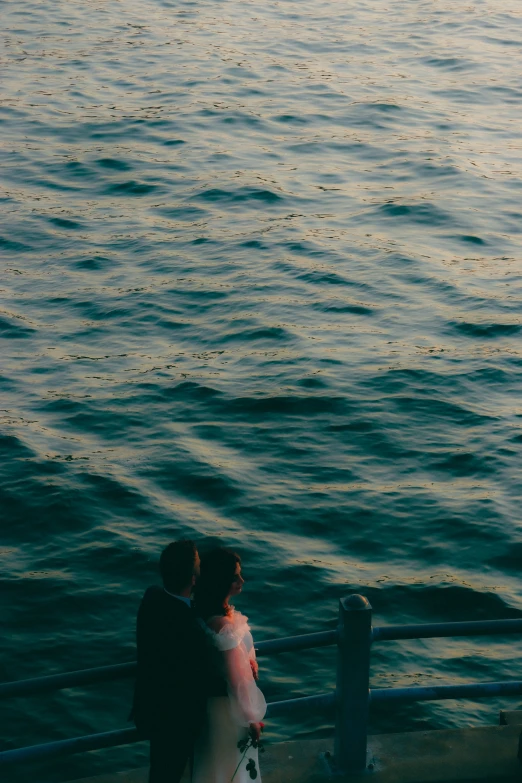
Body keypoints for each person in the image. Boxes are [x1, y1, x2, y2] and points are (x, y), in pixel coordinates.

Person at [131, 540, 221, 783]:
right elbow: (207, 678)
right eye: (199, 566)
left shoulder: (152, 598)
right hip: (179, 721)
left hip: (152, 708)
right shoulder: (190, 629)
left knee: (160, 773)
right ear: (193, 579)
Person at [192, 548, 266, 783]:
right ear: (221, 581)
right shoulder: (224, 627)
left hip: (211, 708)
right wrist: (250, 719)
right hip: (229, 711)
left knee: (215, 764)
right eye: (235, 576)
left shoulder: (202, 614)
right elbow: (236, 680)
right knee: (234, 767)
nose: (242, 580)